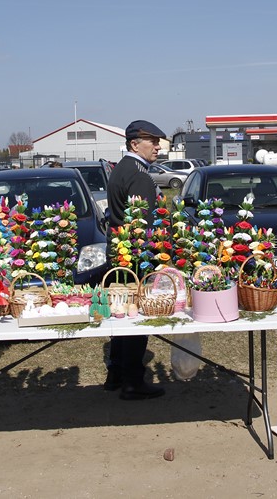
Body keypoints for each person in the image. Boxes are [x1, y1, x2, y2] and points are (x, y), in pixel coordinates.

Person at [105, 119, 166, 400]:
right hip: (134, 257)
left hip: (120, 254)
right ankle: (132, 381)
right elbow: (144, 226)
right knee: (134, 318)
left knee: (121, 315)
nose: (157, 146)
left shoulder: (121, 169)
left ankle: (116, 374)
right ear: (134, 144)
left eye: (158, 142)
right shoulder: (139, 175)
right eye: (152, 141)